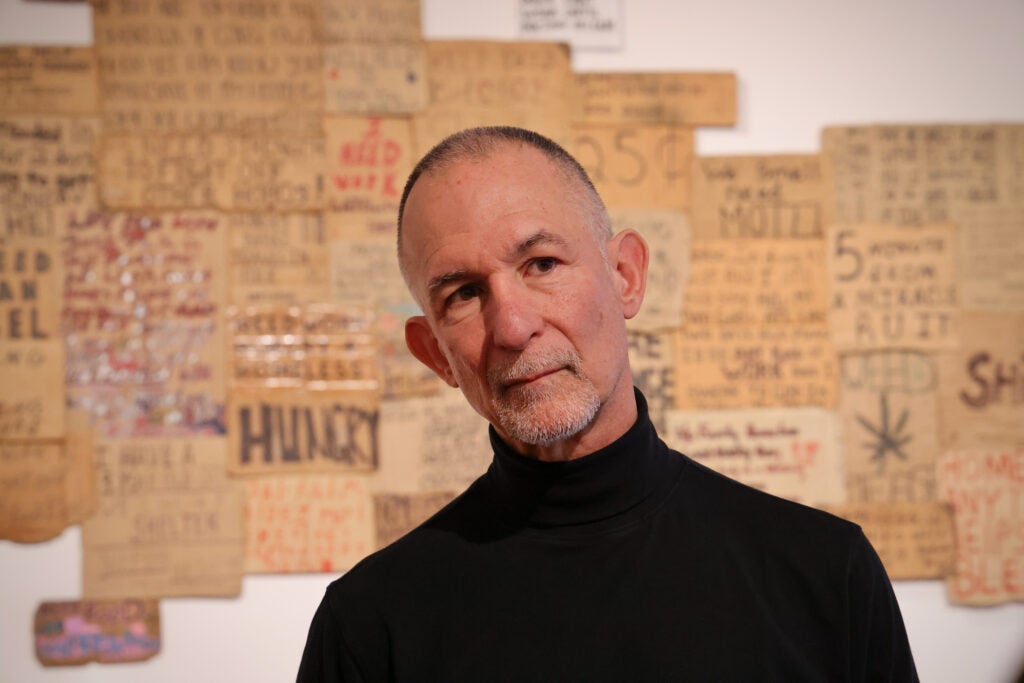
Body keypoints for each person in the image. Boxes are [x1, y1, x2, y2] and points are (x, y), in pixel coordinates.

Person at [297, 126, 918, 682]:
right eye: (463, 293)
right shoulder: (369, 628)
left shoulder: (825, 575)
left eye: (542, 263)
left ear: (625, 275)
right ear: (435, 354)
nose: (512, 326)